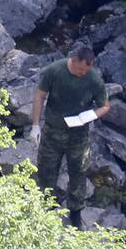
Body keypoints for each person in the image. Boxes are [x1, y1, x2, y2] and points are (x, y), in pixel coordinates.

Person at [30, 42, 110, 213]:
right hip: (52, 130)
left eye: (86, 71)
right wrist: (35, 126)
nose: (82, 73)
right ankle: (45, 208)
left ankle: (75, 209)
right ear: (73, 60)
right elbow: (39, 96)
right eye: (80, 69)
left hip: (78, 135)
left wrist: (92, 115)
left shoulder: (94, 79)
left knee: (79, 172)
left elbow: (105, 105)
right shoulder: (55, 70)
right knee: (46, 170)